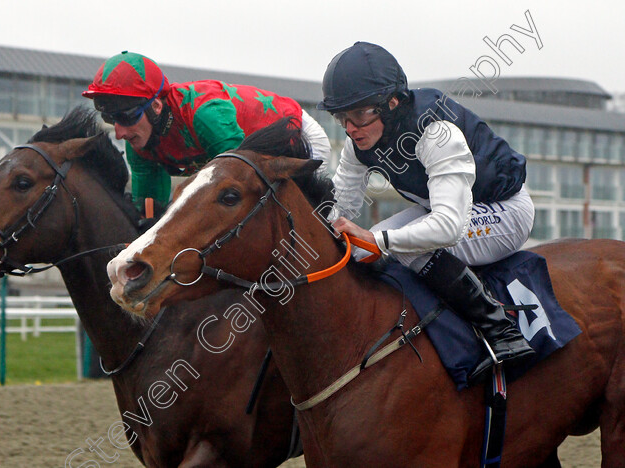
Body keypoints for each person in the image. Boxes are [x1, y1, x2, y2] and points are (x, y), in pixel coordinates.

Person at [319, 42, 535, 381]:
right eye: (341, 117)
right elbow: (340, 207)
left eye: (359, 114)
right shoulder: (357, 142)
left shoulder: (436, 131)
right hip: (449, 210)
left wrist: (380, 239)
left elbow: (449, 226)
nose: (350, 127)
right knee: (357, 250)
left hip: (505, 211)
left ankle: (500, 329)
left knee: (402, 247)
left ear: (391, 103)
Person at [82, 51, 331, 210]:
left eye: (126, 117)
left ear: (156, 106)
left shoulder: (203, 115)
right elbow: (149, 210)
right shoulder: (140, 140)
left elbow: (239, 180)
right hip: (249, 156)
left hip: (299, 138)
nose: (119, 133)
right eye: (109, 118)